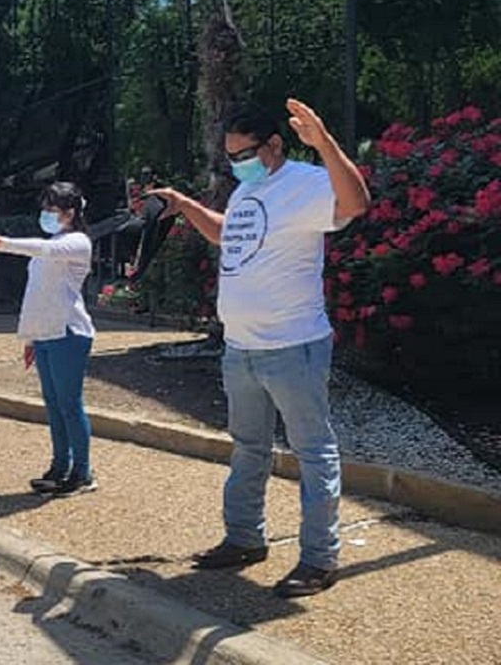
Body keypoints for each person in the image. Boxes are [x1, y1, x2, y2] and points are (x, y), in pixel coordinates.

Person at [148, 98, 370, 598]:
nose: (237, 163)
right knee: (248, 448)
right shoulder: (249, 193)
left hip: (293, 346)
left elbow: (354, 204)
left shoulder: (307, 182)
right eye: (229, 156)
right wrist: (184, 206)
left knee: (314, 452)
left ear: (275, 145)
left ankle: (319, 559)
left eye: (245, 153)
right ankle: (245, 539)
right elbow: (229, 236)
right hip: (242, 349)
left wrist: (326, 144)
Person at [0, 182, 97, 495]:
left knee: (69, 404)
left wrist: (3, 243)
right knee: (54, 405)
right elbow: (36, 295)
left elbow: (43, 249)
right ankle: (60, 465)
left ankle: (82, 471)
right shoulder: (53, 242)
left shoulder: (77, 242)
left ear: (70, 213)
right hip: (45, 333)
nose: (46, 215)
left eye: (51, 210)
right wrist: (30, 338)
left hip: (68, 332)